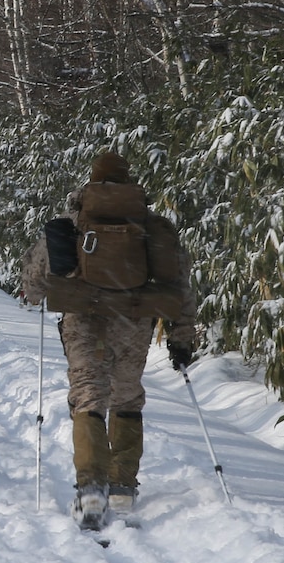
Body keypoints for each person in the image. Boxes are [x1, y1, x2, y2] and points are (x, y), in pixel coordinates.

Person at [19, 150, 198, 529]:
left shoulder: (73, 224)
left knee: (88, 397)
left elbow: (35, 274)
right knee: (127, 396)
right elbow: (180, 284)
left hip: (83, 318)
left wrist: (35, 294)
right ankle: (122, 485)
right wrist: (181, 337)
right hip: (133, 319)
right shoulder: (152, 226)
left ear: (92, 183)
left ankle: (91, 489)